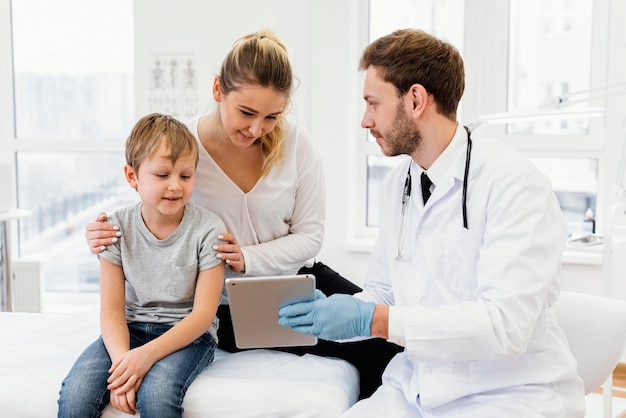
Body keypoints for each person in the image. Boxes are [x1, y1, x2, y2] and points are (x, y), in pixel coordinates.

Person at [278, 29, 586, 417]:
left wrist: (372, 318)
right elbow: (385, 292)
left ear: (416, 100)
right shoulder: (399, 184)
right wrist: (339, 315)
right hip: (417, 387)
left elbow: (504, 326)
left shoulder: (513, 183)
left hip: (509, 393)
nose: (365, 120)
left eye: (373, 103)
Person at [84, 29, 402, 400]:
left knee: (387, 339)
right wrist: (103, 232)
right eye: (246, 113)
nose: (256, 129)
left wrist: (248, 258)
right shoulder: (183, 151)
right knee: (363, 348)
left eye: (271, 117)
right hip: (221, 304)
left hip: (293, 283)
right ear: (218, 90)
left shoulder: (297, 144)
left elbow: (310, 236)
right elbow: (146, 203)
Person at [58, 113, 226, 417]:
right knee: (76, 395)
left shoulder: (209, 230)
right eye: (162, 175)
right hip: (130, 328)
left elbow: (203, 315)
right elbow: (110, 310)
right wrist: (124, 364)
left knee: (158, 396)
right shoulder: (115, 228)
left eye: (185, 176)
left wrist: (145, 358)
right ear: (132, 176)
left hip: (187, 335)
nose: (175, 186)